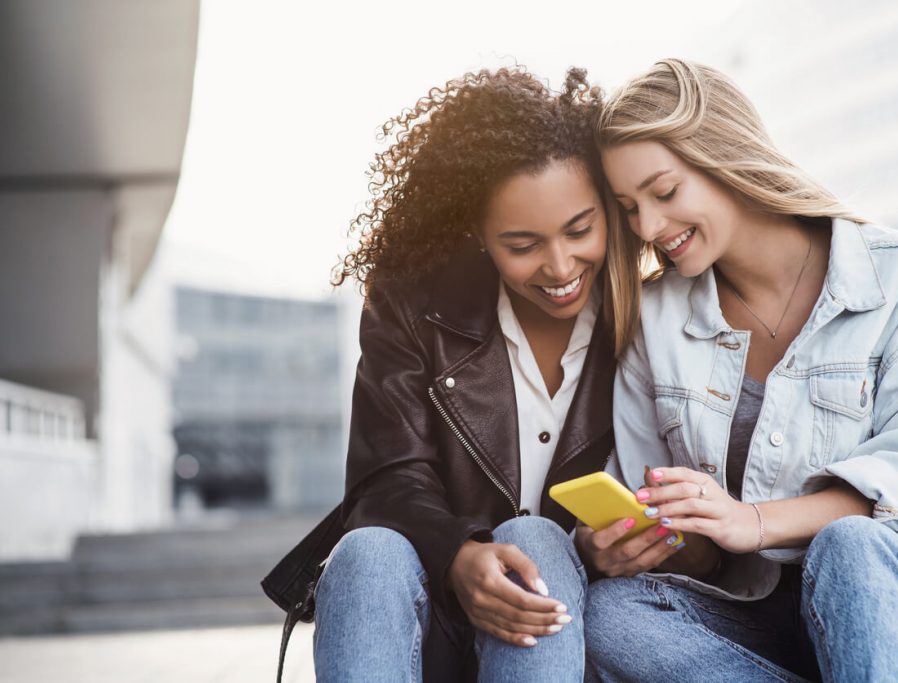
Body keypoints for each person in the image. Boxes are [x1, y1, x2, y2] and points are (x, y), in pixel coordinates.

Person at [578, 59, 898, 682]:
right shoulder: (654, 320)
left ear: (722, 156)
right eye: (630, 208)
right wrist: (638, 543)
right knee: (612, 613)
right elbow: (678, 534)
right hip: (747, 616)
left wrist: (755, 522)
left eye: (664, 193)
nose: (650, 228)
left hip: (891, 604)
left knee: (851, 548)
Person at [262, 66, 632, 683]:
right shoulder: (412, 303)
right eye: (522, 244)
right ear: (479, 235)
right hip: (431, 610)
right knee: (365, 553)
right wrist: (458, 554)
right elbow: (387, 479)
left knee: (535, 541)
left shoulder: (650, 311)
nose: (561, 265)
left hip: (577, 628)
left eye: (580, 229)